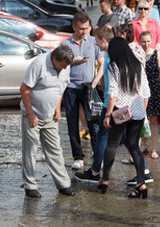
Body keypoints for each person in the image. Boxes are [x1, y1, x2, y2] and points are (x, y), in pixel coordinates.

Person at [20, 45, 76, 198]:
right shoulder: (39, 64)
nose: (64, 68)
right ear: (53, 59)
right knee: (31, 149)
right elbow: (24, 89)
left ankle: (63, 184)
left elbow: (60, 88)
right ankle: (30, 185)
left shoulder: (65, 67)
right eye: (62, 65)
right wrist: (31, 114)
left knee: (55, 149)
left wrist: (58, 108)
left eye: (66, 66)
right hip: (33, 114)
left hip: (50, 115)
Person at [100, 37, 150, 198]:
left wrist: (108, 114)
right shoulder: (138, 66)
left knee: (112, 144)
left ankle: (105, 179)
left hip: (121, 109)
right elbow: (146, 92)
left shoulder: (114, 66)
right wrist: (142, 111)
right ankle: (141, 182)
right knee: (134, 146)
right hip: (137, 108)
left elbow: (112, 93)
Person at [61, 12, 103, 171]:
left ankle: (97, 154)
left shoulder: (93, 42)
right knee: (72, 124)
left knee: (94, 123)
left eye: (87, 28)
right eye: (81, 29)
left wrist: (95, 82)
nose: (84, 31)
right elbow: (60, 64)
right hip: (70, 88)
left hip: (89, 88)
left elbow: (102, 63)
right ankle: (78, 157)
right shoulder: (66, 44)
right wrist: (74, 61)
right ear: (74, 27)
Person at [75, 27, 114, 185]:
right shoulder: (111, 55)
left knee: (106, 138)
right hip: (111, 102)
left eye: (97, 40)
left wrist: (108, 112)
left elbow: (114, 85)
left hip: (111, 104)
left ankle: (95, 172)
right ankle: (97, 171)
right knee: (115, 139)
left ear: (103, 40)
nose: (96, 44)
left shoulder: (112, 57)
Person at [140, 31, 160, 160]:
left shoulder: (156, 54)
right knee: (141, 117)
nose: (146, 44)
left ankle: (154, 147)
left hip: (153, 86)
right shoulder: (137, 53)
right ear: (140, 41)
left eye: (148, 41)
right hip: (140, 88)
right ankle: (144, 145)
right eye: (144, 41)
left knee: (154, 119)